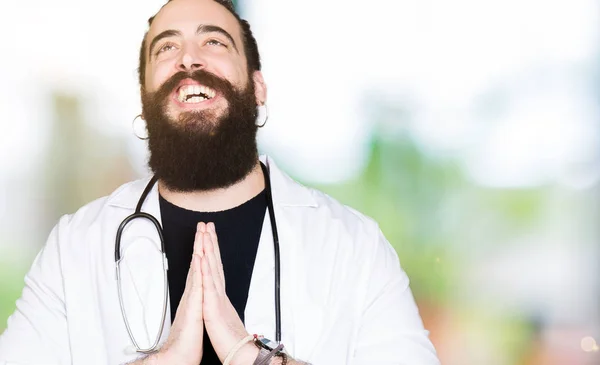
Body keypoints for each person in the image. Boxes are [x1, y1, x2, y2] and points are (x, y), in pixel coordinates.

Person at [0, 0, 440, 364]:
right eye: (166, 48)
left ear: (258, 87)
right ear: (143, 96)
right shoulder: (74, 247)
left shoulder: (355, 246)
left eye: (213, 41)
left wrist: (250, 356)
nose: (189, 58)